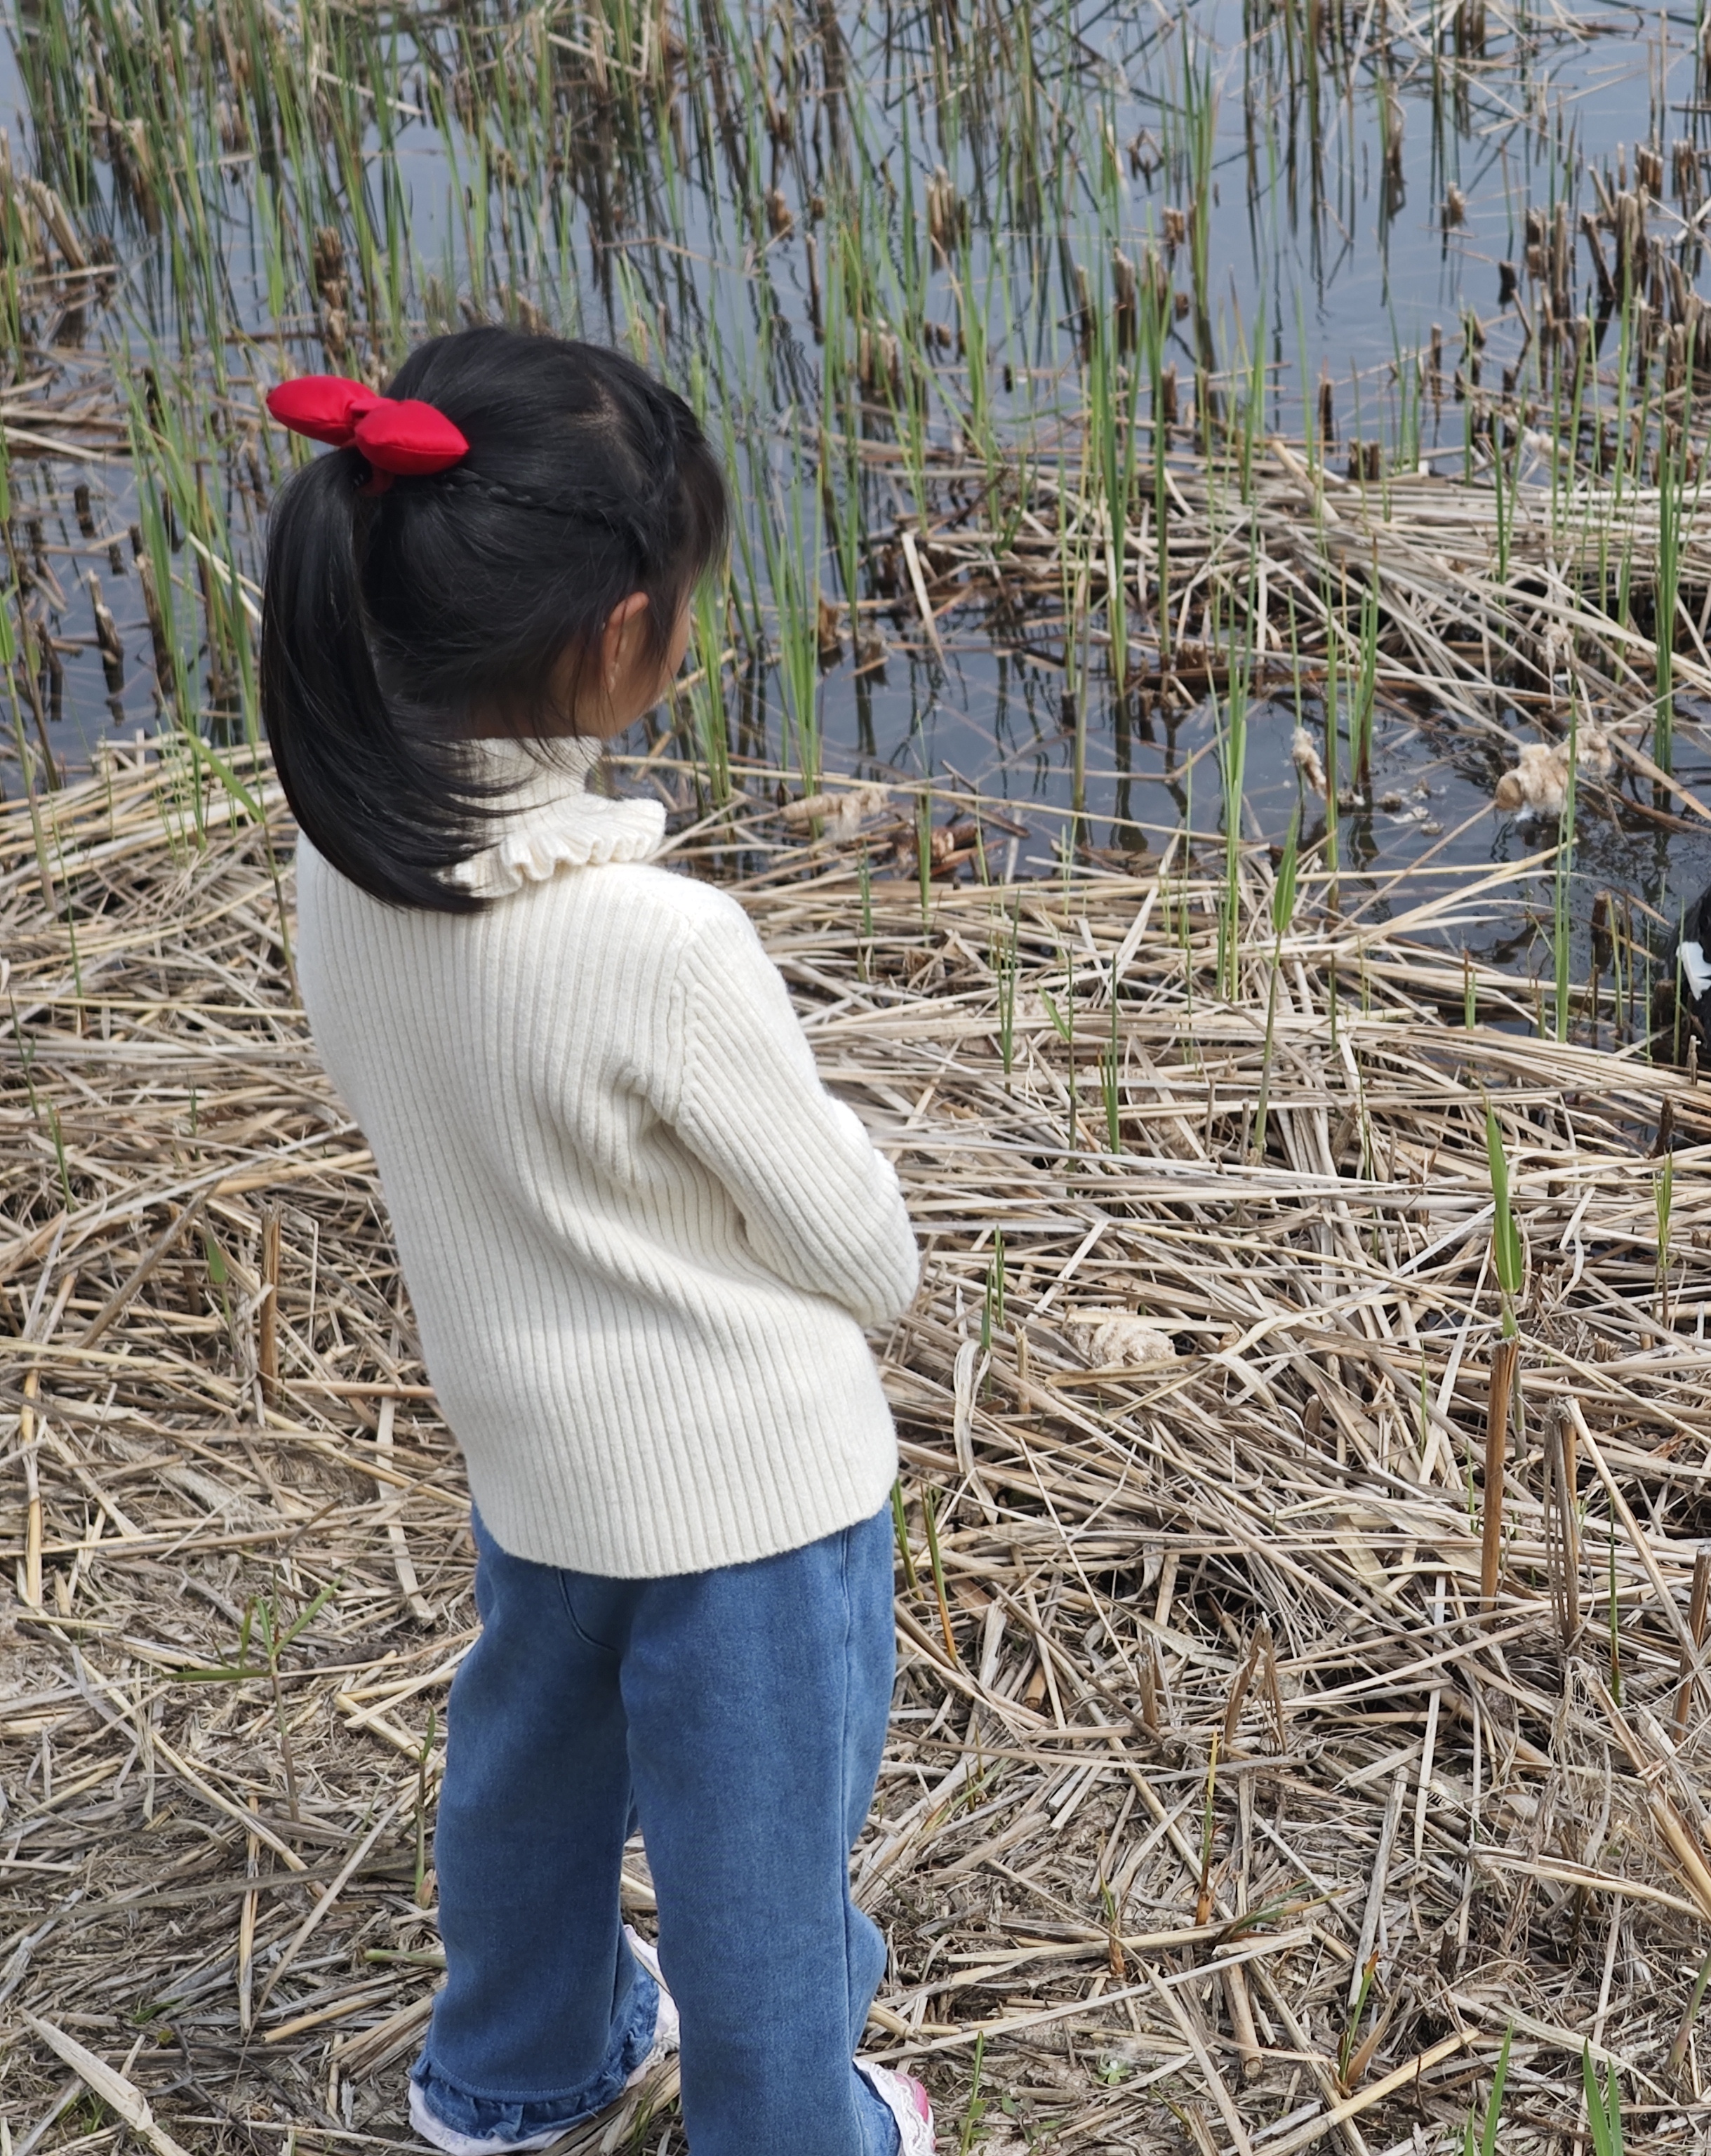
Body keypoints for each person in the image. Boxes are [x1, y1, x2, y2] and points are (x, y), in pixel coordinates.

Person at [260, 326, 932, 2156]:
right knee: (759, 1872)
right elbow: (864, 1256)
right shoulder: (657, 943)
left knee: (530, 1780)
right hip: (751, 1506)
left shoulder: (345, 870)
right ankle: (793, 2131)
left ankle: (514, 2070)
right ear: (623, 635)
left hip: (534, 1463)